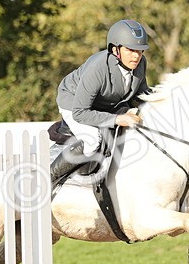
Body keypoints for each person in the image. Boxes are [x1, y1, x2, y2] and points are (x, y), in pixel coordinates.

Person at [52, 19, 153, 184]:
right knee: (92, 141)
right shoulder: (98, 67)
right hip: (74, 102)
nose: (136, 56)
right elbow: (80, 113)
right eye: (130, 50)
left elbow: (140, 95)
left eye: (140, 50)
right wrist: (117, 119)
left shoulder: (140, 63)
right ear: (115, 49)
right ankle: (48, 178)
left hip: (104, 103)